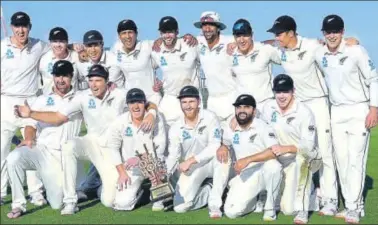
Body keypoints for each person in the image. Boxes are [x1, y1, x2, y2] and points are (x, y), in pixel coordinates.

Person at [14, 64, 158, 214]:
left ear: (107, 81)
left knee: (109, 201)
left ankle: (113, 187)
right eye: (91, 80)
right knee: (69, 145)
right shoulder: (82, 97)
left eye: (98, 80)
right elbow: (58, 117)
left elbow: (147, 102)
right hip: (90, 143)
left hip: (110, 150)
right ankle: (70, 201)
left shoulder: (120, 94)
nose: (93, 85)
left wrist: (151, 114)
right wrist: (30, 113)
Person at [315, 14, 378, 224]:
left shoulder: (355, 50)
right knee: (341, 160)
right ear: (323, 33)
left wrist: (374, 109)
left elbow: (374, 78)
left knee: (355, 160)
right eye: (328, 31)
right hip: (337, 112)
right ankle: (350, 204)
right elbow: (297, 46)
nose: (332, 35)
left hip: (359, 110)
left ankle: (354, 207)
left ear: (342, 32)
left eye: (336, 31)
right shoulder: (320, 52)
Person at [6, 60, 86, 218]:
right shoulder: (42, 99)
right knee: (13, 158)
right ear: (53, 77)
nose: (60, 80)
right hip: (43, 152)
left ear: (72, 77)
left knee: (56, 203)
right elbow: (30, 125)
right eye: (57, 76)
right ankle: (18, 205)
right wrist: (29, 138)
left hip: (65, 156)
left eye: (65, 76)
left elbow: (57, 118)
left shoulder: (79, 98)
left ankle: (69, 190)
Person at [1, 11, 50, 206]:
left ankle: (36, 193)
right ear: (12, 27)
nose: (21, 30)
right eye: (17, 26)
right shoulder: (2, 46)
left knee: (30, 146)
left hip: (29, 103)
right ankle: (1, 191)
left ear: (29, 27)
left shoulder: (38, 45)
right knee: (1, 150)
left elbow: (59, 48)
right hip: (5, 102)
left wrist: (76, 46)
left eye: (24, 26)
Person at [259, 74, 322, 224]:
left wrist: (285, 148)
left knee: (289, 209)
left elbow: (308, 146)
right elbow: (257, 122)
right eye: (278, 91)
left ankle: (309, 202)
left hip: (300, 158)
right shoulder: (268, 107)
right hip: (279, 158)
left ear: (293, 91)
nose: (281, 96)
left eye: (285, 91)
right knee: (286, 208)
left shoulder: (304, 112)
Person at [165, 85, 230, 218]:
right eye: (184, 102)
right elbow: (173, 156)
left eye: (191, 102)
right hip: (193, 167)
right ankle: (209, 189)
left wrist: (191, 160)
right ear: (180, 104)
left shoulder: (210, 117)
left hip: (212, 161)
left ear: (199, 102)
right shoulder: (176, 128)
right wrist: (164, 175)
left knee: (223, 156)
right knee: (179, 207)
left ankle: (215, 205)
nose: (188, 106)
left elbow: (215, 145)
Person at [217, 94, 282, 221]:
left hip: (263, 171)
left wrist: (248, 159)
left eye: (246, 107)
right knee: (231, 212)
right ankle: (255, 200)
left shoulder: (262, 126)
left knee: (273, 166)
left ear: (254, 110)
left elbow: (274, 152)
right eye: (239, 107)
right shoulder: (232, 127)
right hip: (246, 174)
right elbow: (224, 141)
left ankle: (270, 207)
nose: (242, 110)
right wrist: (223, 146)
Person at [106, 88, 167, 211]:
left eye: (139, 102)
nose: (136, 106)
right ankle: (144, 191)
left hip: (155, 165)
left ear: (145, 103)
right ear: (127, 105)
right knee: (122, 204)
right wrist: (122, 173)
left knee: (160, 204)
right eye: (132, 102)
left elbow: (160, 149)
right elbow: (113, 148)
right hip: (131, 169)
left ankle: (161, 193)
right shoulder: (120, 122)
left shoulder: (156, 119)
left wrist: (140, 159)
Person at [151, 16, 199, 127]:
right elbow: (146, 68)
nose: (167, 36)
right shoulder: (156, 51)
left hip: (191, 97)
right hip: (170, 98)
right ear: (160, 33)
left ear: (177, 32)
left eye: (170, 32)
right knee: (162, 129)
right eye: (164, 32)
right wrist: (155, 82)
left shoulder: (190, 45)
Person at [229, 19, 281, 113]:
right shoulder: (230, 54)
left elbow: (289, 59)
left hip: (265, 105)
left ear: (252, 35)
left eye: (245, 35)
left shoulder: (265, 49)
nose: (242, 40)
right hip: (244, 108)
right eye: (238, 36)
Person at [38, 27, 80, 94]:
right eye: (55, 41)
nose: (58, 45)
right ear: (50, 42)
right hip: (49, 102)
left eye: (62, 41)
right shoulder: (44, 59)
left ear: (67, 42)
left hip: (72, 101)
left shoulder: (76, 57)